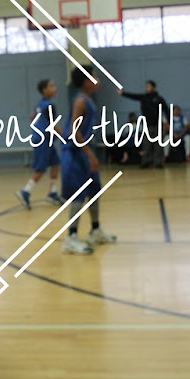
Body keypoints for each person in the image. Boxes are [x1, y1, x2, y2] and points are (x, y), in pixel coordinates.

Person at [61, 65, 116, 255]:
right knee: (78, 195)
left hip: (83, 151)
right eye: (94, 76)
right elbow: (74, 131)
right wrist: (90, 155)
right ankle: (70, 238)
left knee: (94, 191)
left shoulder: (88, 100)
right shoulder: (80, 101)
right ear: (86, 82)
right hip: (74, 153)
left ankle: (95, 230)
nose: (98, 79)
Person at [16, 79, 63, 209]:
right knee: (40, 169)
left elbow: (32, 118)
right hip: (43, 140)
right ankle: (25, 191)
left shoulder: (40, 104)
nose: (55, 88)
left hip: (45, 139)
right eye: (51, 86)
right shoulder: (49, 106)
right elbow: (53, 125)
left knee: (56, 164)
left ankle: (52, 193)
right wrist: (65, 136)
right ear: (44, 90)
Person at [117, 80, 169, 168]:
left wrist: (168, 122)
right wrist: (123, 93)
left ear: (153, 87)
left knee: (158, 145)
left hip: (157, 124)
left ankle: (158, 162)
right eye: (146, 86)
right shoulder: (143, 97)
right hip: (146, 125)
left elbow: (166, 110)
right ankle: (146, 162)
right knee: (146, 145)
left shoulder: (159, 99)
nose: (146, 88)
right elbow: (133, 96)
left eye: (148, 86)